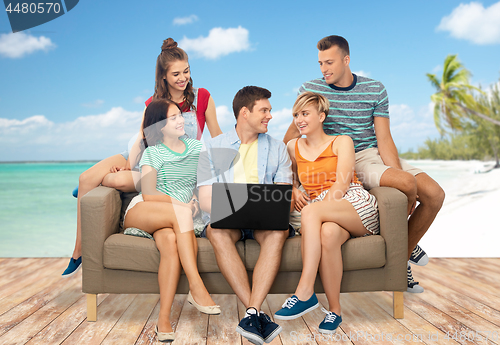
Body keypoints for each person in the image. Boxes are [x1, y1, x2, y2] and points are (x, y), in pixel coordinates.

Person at [283, 35, 445, 293]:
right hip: (339, 156)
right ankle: (401, 251)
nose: (324, 69)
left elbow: (384, 138)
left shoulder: (375, 89)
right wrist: (292, 183)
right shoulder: (311, 88)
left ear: (346, 60)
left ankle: (401, 251)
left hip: (369, 154)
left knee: (435, 194)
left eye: (329, 62)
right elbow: (291, 139)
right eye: (320, 63)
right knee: (406, 183)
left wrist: (400, 177)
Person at [62, 38, 222, 277]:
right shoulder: (152, 103)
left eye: (186, 71)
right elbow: (142, 137)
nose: (183, 78)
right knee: (86, 177)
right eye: (176, 73)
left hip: (175, 163)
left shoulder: (203, 98)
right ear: (163, 77)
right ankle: (78, 250)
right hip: (144, 153)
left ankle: (101, 182)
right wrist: (127, 165)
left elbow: (216, 136)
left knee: (120, 181)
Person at [274, 92, 379, 333]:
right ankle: (335, 311)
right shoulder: (292, 147)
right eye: (296, 115)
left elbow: (342, 184)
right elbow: (283, 178)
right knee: (329, 234)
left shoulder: (342, 141)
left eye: (305, 114)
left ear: (321, 116)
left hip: (351, 202)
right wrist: (292, 189)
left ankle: (305, 291)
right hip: (324, 214)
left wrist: (318, 208)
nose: (299, 119)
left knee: (312, 212)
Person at [197, 86, 293, 345]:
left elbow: (283, 195)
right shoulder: (214, 147)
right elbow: (206, 199)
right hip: (226, 219)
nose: (269, 116)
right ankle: (257, 313)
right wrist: (236, 208)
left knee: (279, 230)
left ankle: (251, 313)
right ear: (244, 113)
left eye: (269, 111)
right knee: (216, 230)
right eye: (264, 110)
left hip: (264, 221)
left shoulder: (277, 148)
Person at [123, 98, 220, 342]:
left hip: (177, 217)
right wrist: (183, 205)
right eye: (172, 118)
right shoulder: (153, 153)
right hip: (147, 210)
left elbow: (203, 186)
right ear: (159, 126)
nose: (180, 120)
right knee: (181, 214)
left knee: (169, 243)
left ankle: (163, 319)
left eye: (180, 115)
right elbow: (149, 194)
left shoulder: (198, 149)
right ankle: (196, 287)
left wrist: (196, 201)